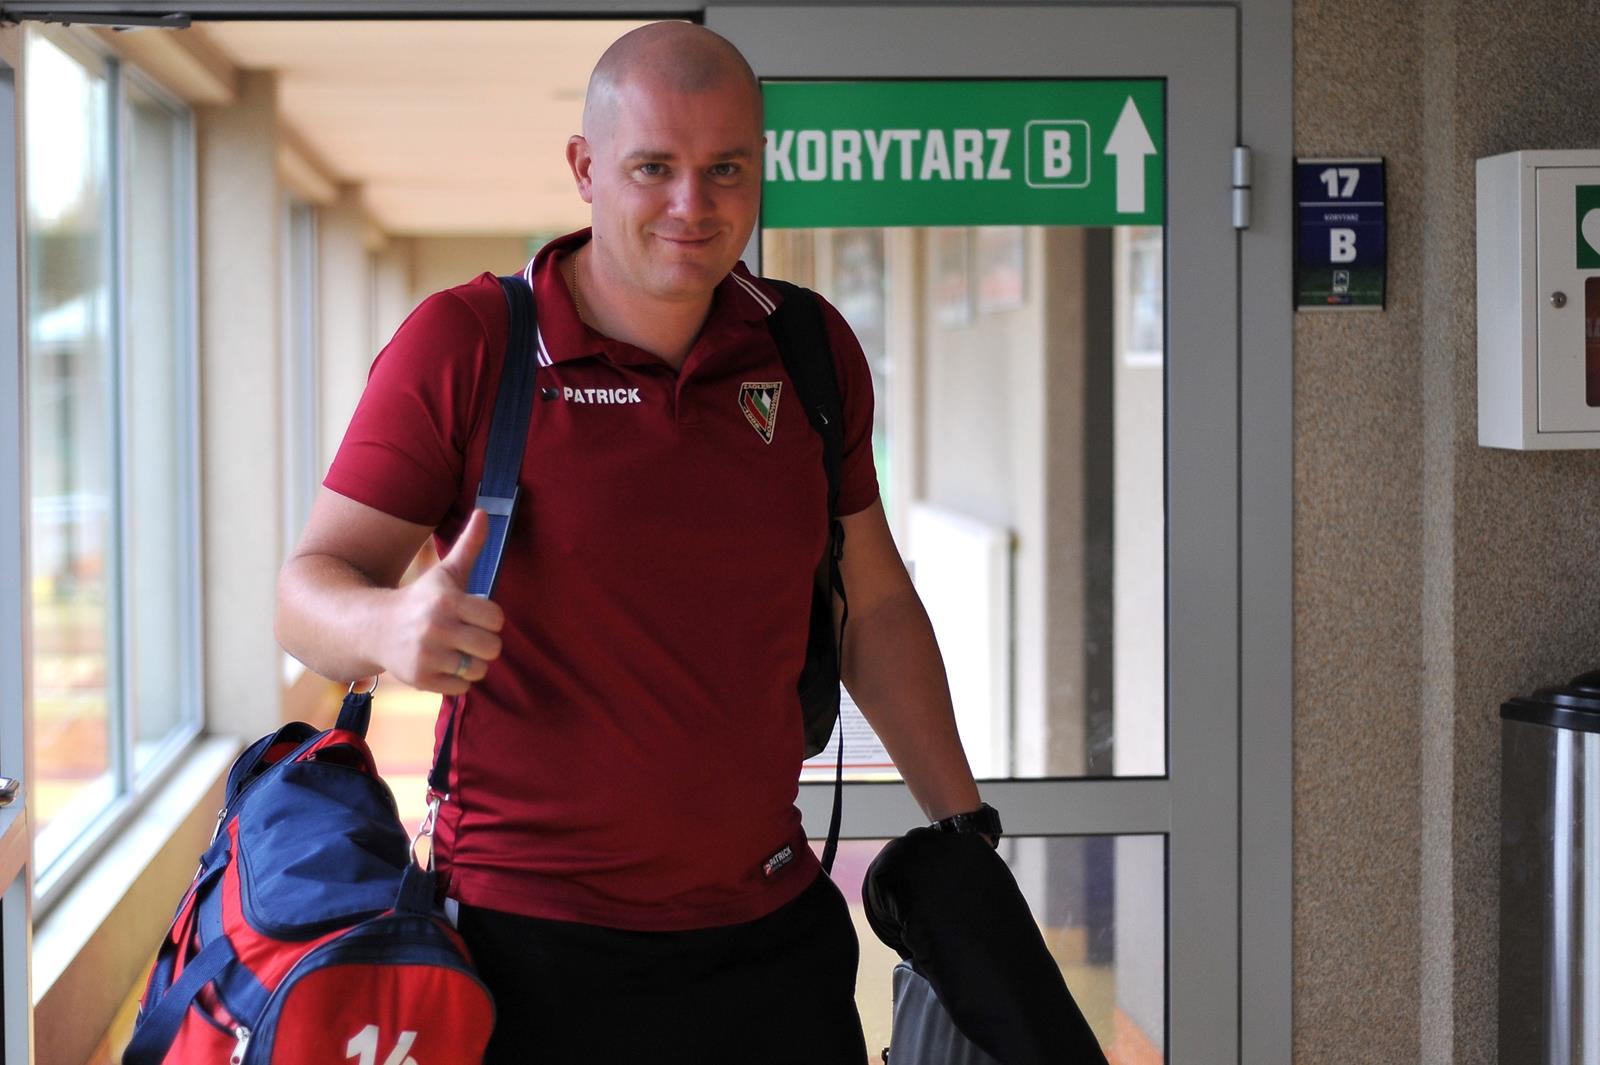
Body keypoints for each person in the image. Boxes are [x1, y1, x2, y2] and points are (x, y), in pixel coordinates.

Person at [274, 21, 990, 1064]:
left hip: (770, 937)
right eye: (654, 167)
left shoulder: (807, 348)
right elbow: (306, 592)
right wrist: (386, 626)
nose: (692, 205)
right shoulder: (471, 344)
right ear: (585, 168)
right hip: (527, 946)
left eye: (725, 169)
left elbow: (871, 606)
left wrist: (964, 832)